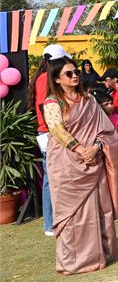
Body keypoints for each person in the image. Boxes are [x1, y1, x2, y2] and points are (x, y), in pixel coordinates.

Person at [42, 57, 118, 274]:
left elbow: (106, 130)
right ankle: (74, 261)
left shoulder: (88, 100)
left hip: (93, 160)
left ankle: (101, 253)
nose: (75, 76)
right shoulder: (52, 102)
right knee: (71, 213)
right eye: (68, 73)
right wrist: (80, 150)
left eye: (76, 72)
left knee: (99, 207)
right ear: (57, 79)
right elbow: (56, 129)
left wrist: (95, 148)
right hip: (66, 163)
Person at [27, 44, 71, 237]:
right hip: (49, 132)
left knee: (52, 178)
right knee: (51, 179)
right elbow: (45, 107)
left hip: (48, 131)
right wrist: (55, 130)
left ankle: (53, 221)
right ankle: (50, 222)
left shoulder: (43, 77)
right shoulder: (45, 79)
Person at [93, 89, 118, 208]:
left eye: (111, 103)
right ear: (99, 106)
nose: (110, 106)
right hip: (104, 155)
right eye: (106, 104)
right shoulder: (97, 121)